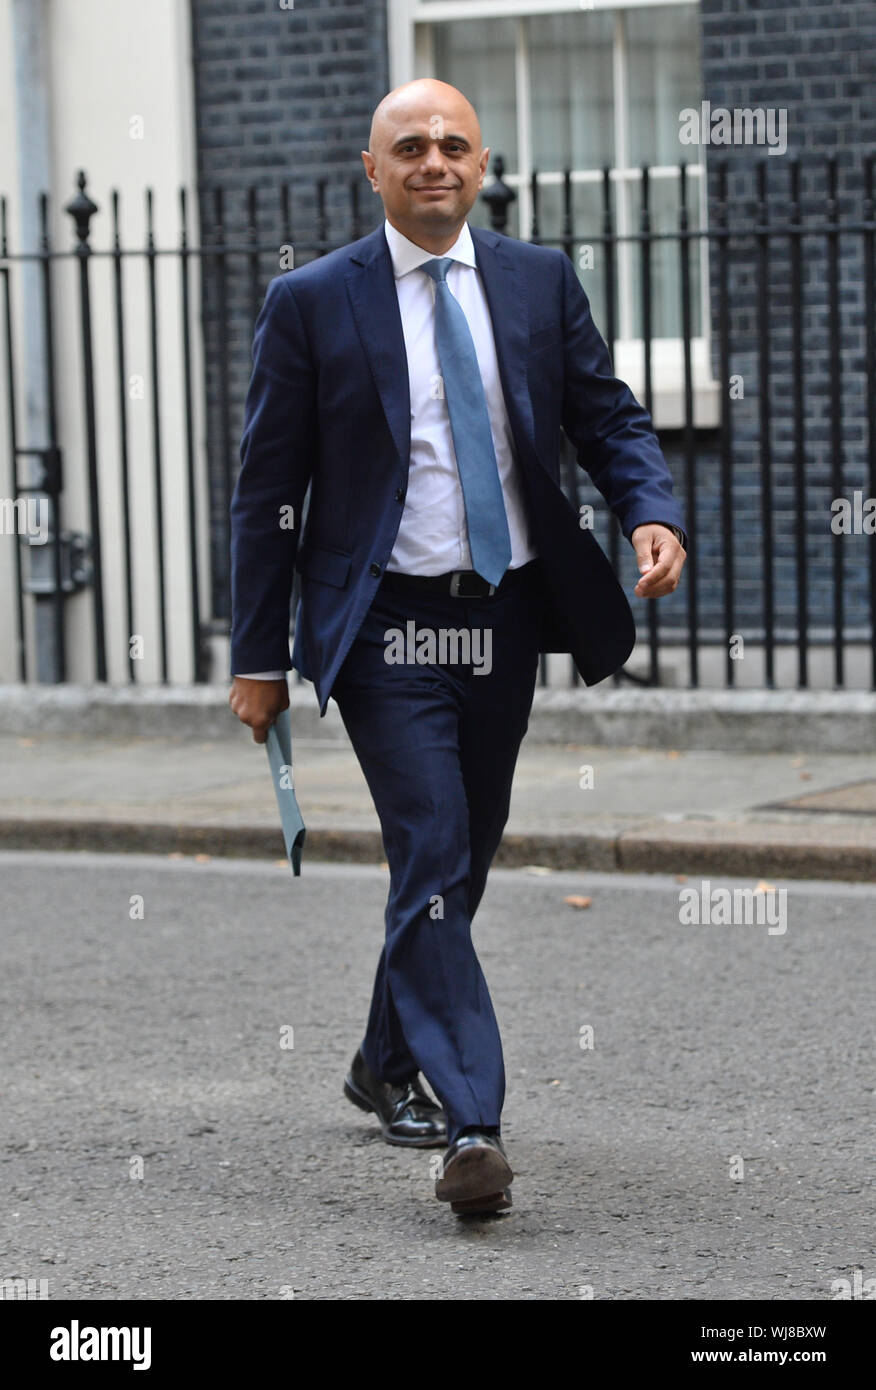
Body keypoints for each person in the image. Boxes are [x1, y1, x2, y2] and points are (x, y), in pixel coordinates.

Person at [228, 79, 686, 1216]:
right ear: (373, 172)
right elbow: (266, 490)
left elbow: (608, 413)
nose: (435, 161)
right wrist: (257, 655)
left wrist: (650, 507)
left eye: (454, 145)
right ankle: (471, 1119)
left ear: (482, 166)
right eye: (411, 147)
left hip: (505, 614)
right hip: (384, 621)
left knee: (462, 856)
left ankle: (382, 1060)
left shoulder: (536, 280)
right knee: (431, 842)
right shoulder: (313, 300)